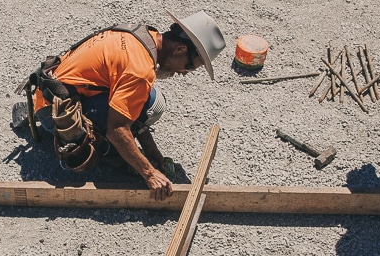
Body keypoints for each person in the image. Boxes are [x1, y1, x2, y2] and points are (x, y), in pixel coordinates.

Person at [18, 11, 226, 201]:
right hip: (55, 110)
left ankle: (44, 116)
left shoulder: (145, 36)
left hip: (53, 88)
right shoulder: (139, 70)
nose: (183, 73)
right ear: (180, 49)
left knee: (151, 100)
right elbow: (117, 130)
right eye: (189, 67)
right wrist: (149, 173)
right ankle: (78, 139)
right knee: (135, 117)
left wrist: (150, 148)